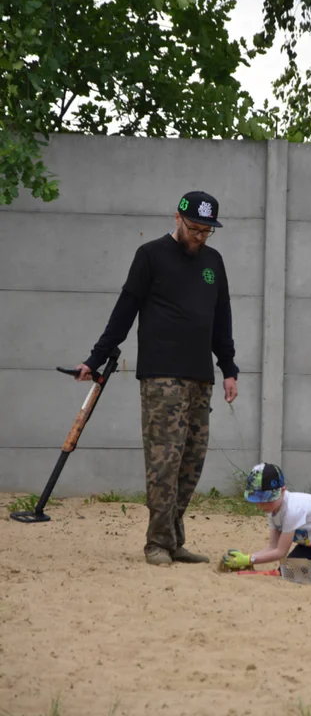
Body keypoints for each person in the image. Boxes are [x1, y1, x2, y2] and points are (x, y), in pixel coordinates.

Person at [74, 191, 239, 566]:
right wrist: (95, 358)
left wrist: (228, 368)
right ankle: (157, 543)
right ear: (178, 219)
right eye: (195, 229)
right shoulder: (150, 255)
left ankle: (174, 538)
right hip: (162, 375)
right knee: (164, 460)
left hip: (201, 376)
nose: (200, 237)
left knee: (191, 462)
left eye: (207, 231)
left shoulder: (214, 261)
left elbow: (221, 320)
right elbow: (125, 310)